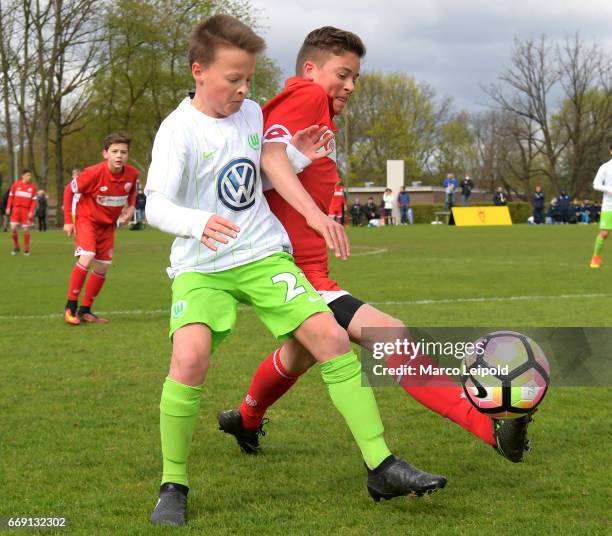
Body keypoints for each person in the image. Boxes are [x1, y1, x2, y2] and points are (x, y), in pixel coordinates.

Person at [143, 16, 445, 527]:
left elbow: (260, 175)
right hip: (202, 264)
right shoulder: (178, 130)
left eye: (248, 80)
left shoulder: (252, 114)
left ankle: (381, 465)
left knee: (329, 337)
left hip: (260, 255)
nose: (243, 90)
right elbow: (154, 205)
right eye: (232, 79)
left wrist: (300, 166)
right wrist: (197, 222)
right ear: (199, 71)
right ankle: (174, 483)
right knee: (189, 358)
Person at [218, 23, 530, 497]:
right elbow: (270, 156)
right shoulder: (305, 97)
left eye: (355, 78)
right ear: (310, 68)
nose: (349, 86)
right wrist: (314, 215)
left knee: (299, 354)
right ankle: (489, 427)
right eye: (342, 74)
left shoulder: (314, 108)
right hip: (290, 270)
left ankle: (245, 418)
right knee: (392, 334)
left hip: (305, 269)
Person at [62, 134, 138, 325]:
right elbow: (68, 190)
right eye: (114, 151)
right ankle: (70, 307)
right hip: (87, 220)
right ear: (105, 154)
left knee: (102, 266)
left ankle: (85, 310)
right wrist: (67, 221)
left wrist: (131, 207)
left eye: (123, 152)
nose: (119, 155)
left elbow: (132, 192)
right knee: (87, 255)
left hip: (108, 226)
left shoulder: (132, 174)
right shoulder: (93, 173)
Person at [590, 143, 612, 268]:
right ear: (611, 151)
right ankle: (595, 257)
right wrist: (609, 190)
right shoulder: (605, 167)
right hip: (609, 205)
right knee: (604, 233)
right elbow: (596, 184)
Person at [6, 169, 36, 255]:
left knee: (26, 229)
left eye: (30, 175)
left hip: (26, 210)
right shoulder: (16, 185)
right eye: (27, 175)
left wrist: (31, 211)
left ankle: (26, 248)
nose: (29, 177)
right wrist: (8, 207)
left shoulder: (32, 187)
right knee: (13, 228)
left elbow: (34, 201)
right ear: (22, 176)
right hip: (16, 209)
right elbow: (11, 197)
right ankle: (16, 246)